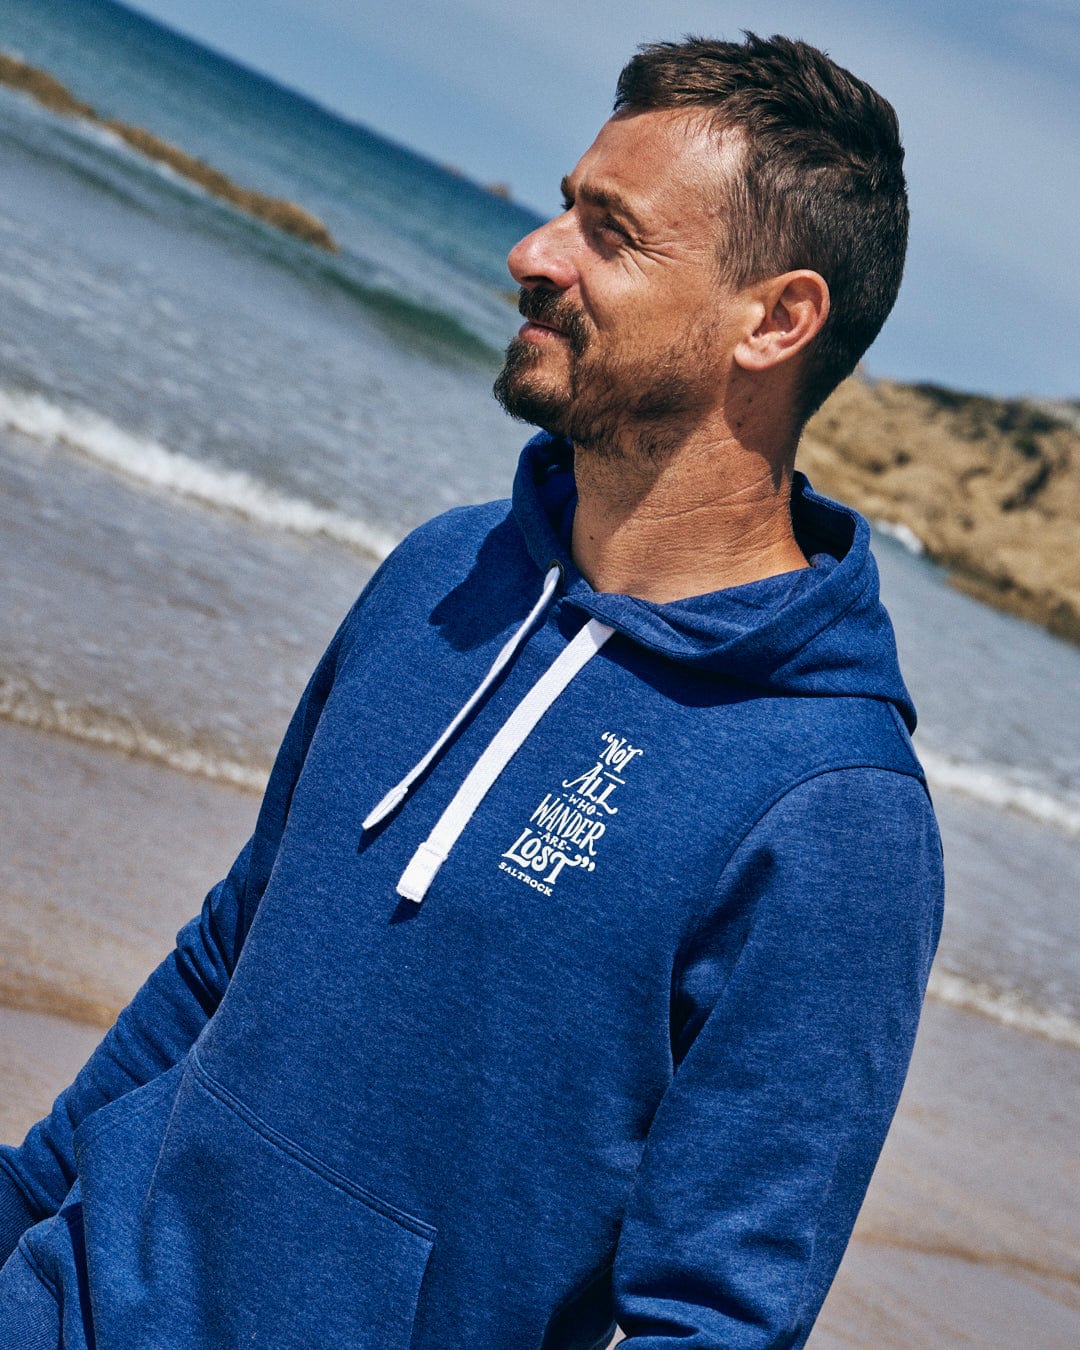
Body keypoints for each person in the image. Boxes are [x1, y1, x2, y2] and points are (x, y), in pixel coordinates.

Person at [0, 32, 943, 1350]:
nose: (533, 253)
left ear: (775, 321)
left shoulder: (835, 813)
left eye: (609, 232)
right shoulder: (446, 570)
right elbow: (230, 952)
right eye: (564, 206)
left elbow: (715, 1318)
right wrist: (17, 1208)